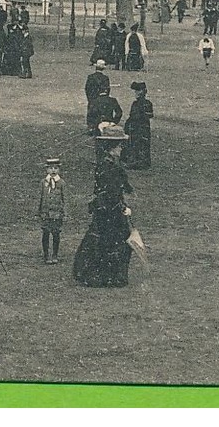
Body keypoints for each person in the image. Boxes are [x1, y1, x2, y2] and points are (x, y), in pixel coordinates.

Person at [73, 123, 135, 287]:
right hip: (110, 210)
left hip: (104, 209)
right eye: (120, 145)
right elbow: (112, 193)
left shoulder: (106, 163)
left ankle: (102, 274)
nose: (121, 149)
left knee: (103, 240)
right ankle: (108, 276)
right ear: (114, 147)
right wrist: (123, 208)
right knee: (115, 242)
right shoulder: (109, 166)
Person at [38, 157, 67, 264]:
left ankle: (55, 254)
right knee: (45, 233)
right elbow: (39, 197)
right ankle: (46, 255)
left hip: (56, 213)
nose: (53, 170)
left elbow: (65, 198)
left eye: (56, 168)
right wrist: (39, 211)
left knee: (56, 234)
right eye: (51, 168)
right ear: (47, 170)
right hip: (45, 213)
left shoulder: (61, 183)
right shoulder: (43, 182)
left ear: (59, 170)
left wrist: (65, 212)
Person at [122, 82, 153, 169]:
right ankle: (143, 162)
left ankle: (135, 163)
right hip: (144, 127)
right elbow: (149, 115)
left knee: (135, 144)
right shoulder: (148, 103)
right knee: (143, 145)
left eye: (137, 91)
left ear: (142, 92)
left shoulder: (136, 104)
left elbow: (133, 116)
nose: (135, 93)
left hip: (137, 127)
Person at [85, 61, 110, 134]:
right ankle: (99, 127)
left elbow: (87, 88)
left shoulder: (90, 77)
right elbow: (107, 89)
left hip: (92, 98)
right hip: (101, 98)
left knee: (91, 113)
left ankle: (91, 127)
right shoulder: (105, 78)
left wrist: (89, 98)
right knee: (100, 113)